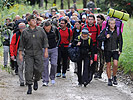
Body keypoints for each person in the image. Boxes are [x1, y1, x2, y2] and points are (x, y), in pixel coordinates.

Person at [19, 15, 49, 94]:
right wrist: (20, 54)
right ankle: (29, 86)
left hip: (38, 53)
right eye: (32, 20)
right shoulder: (25, 32)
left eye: (35, 20)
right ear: (28, 22)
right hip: (28, 54)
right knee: (28, 70)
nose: (34, 21)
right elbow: (21, 44)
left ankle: (36, 80)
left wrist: (46, 51)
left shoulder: (40, 30)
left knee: (39, 70)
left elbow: (45, 41)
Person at [97, 18, 123, 86]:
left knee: (115, 64)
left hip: (115, 50)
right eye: (111, 23)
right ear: (109, 24)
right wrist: (105, 37)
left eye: (113, 23)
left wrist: (120, 49)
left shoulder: (117, 31)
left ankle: (114, 76)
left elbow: (120, 41)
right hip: (107, 50)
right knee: (108, 65)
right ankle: (109, 79)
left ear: (115, 24)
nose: (112, 25)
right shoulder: (105, 31)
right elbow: (99, 38)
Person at [82, 14, 100, 83]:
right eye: (89, 19)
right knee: (86, 62)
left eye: (92, 19)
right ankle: (85, 76)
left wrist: (98, 46)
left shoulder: (96, 27)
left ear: (94, 20)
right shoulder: (84, 26)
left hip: (94, 46)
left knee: (94, 61)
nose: (90, 21)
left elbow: (98, 36)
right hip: (86, 46)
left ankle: (91, 73)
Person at [42, 21, 61, 86]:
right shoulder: (42, 31)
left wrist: (57, 46)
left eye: (48, 28)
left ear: (50, 26)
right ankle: (45, 80)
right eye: (46, 29)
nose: (47, 30)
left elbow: (59, 38)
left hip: (53, 48)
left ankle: (52, 77)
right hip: (44, 49)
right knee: (45, 64)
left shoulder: (55, 29)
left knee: (54, 63)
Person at [94, 14, 105, 79]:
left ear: (102, 20)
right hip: (97, 45)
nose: (97, 21)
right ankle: (95, 71)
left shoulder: (105, 28)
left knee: (102, 60)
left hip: (103, 46)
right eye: (97, 20)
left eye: (98, 20)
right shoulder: (96, 27)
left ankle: (100, 72)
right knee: (96, 59)